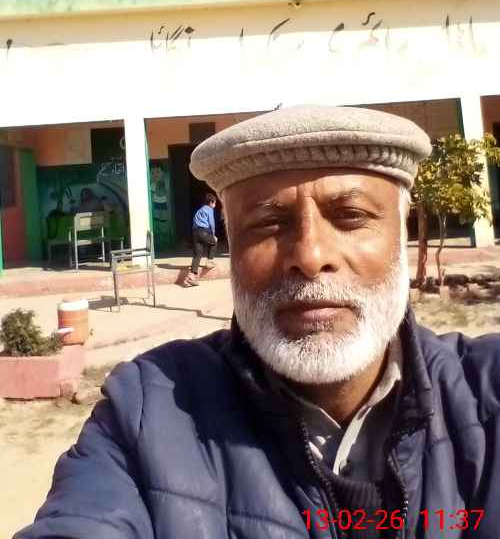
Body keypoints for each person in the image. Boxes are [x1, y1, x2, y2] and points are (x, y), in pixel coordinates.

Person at [16, 105, 500, 538]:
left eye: (350, 216)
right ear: (232, 245)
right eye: (268, 223)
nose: (309, 255)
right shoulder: (146, 415)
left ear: (402, 233)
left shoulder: (487, 396)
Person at [185, 192, 218, 287]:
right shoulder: (209, 209)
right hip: (204, 231)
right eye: (215, 203)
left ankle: (191, 276)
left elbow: (194, 222)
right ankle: (209, 261)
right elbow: (211, 223)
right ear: (211, 203)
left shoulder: (200, 210)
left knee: (197, 254)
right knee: (214, 242)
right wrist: (213, 234)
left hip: (195, 232)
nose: (215, 205)